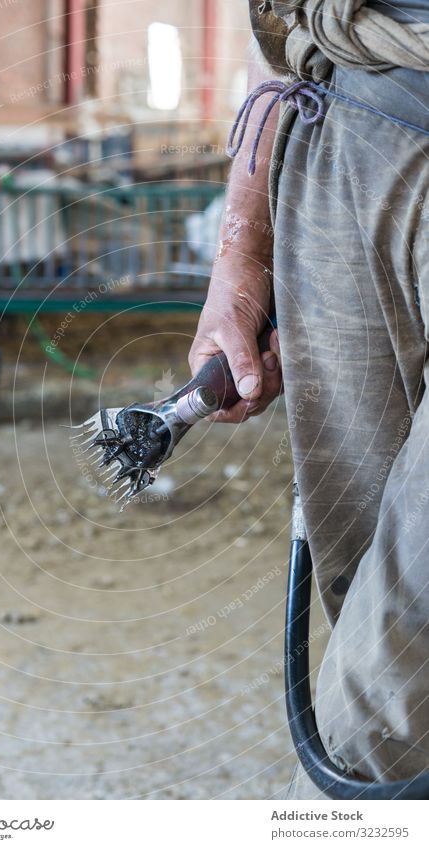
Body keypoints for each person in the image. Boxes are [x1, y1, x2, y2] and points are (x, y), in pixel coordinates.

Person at [188, 0, 429, 798]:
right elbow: (279, 47)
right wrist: (242, 248)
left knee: (386, 680)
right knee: (356, 588)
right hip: (338, 140)